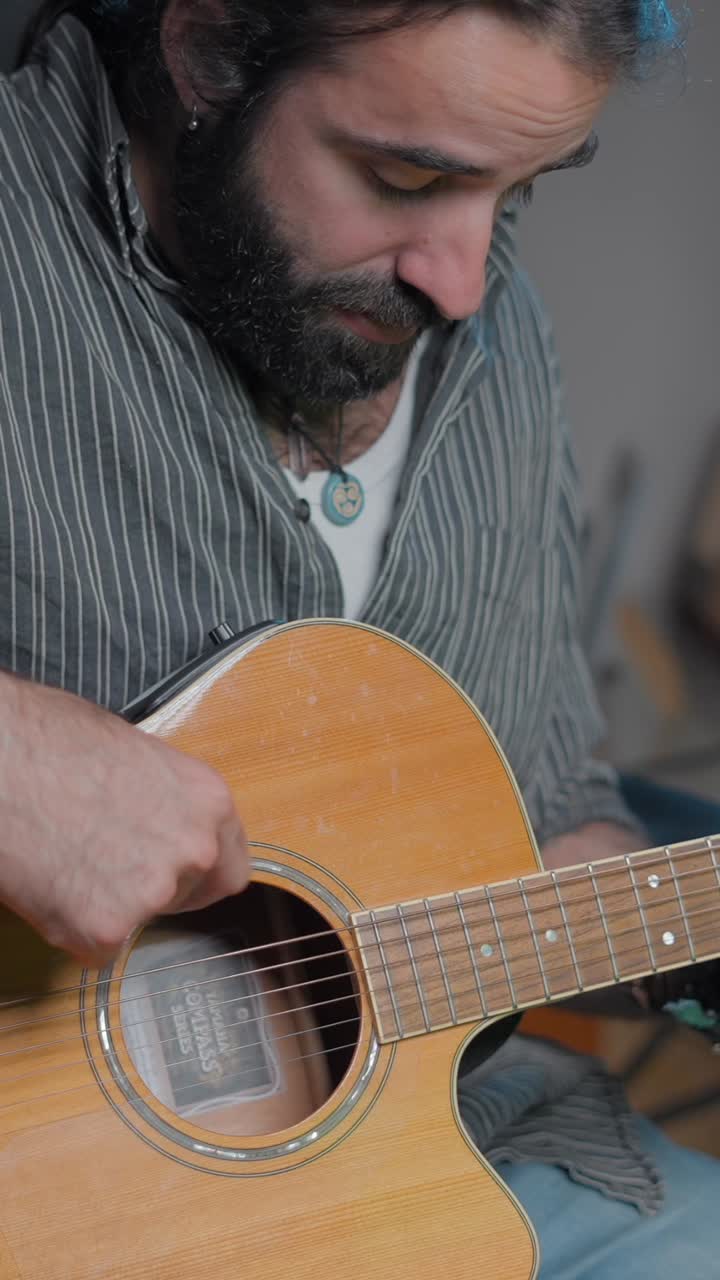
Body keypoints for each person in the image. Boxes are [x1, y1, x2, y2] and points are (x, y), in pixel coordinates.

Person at [0, 0, 717, 1274]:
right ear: (207, 51)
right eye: (405, 177)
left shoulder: (501, 340)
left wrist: (687, 932)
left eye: (520, 194)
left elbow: (543, 817)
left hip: (440, 1155)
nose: (466, 280)